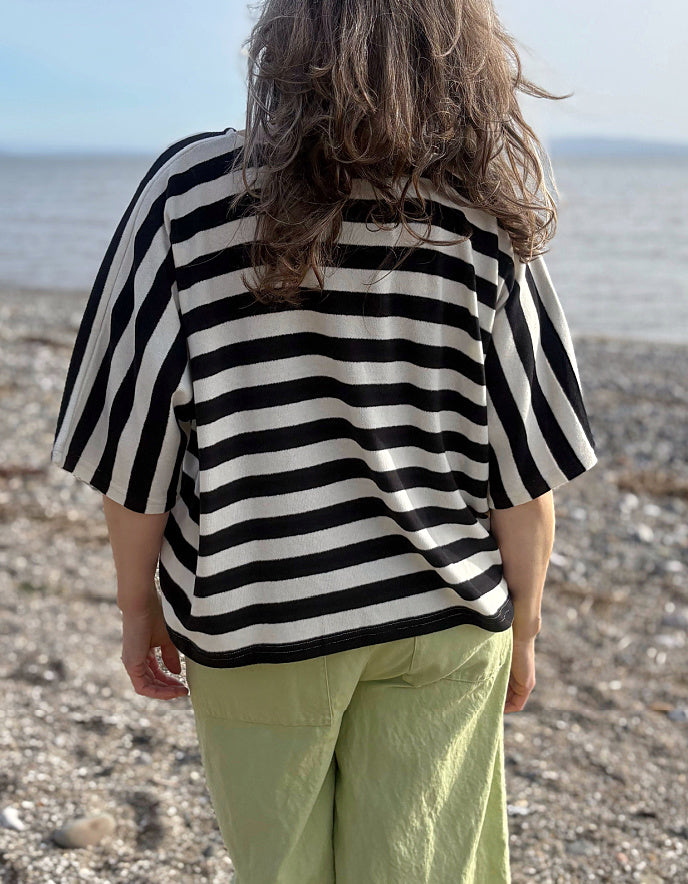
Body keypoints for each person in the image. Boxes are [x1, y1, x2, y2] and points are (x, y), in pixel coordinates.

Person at [50, 0, 598, 880]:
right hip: (443, 622)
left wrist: (136, 607)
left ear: (286, 35)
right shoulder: (482, 213)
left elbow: (134, 443)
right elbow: (526, 470)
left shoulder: (188, 196)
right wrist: (525, 627)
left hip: (256, 620)